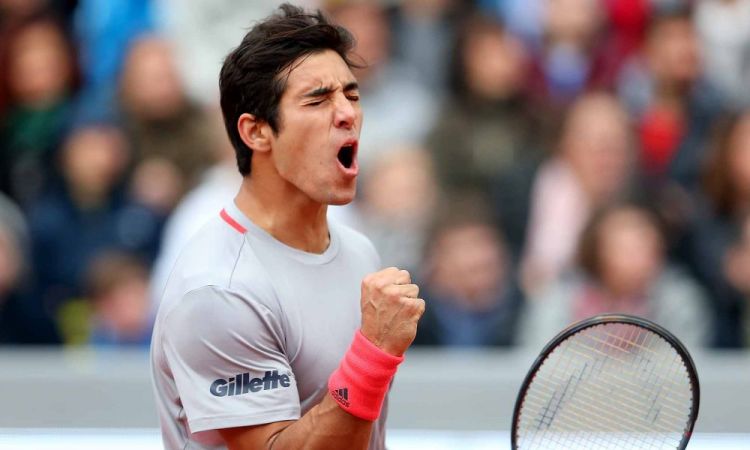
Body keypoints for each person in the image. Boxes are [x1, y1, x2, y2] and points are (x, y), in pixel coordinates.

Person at [150, 5, 425, 450]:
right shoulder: (218, 290)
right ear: (256, 132)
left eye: (351, 95)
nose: (347, 113)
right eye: (317, 100)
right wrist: (373, 352)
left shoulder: (359, 250)